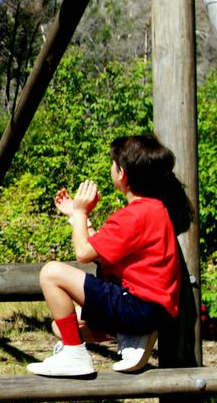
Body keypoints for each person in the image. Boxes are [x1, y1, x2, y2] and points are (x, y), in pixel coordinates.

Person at [27, 134, 192, 377]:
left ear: (122, 173)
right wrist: (75, 215)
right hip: (149, 311)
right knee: (63, 326)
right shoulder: (155, 210)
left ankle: (74, 355)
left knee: (51, 273)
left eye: (113, 163)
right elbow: (100, 250)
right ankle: (126, 335)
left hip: (136, 307)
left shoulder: (133, 216)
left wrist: (81, 212)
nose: (111, 167)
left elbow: (83, 253)